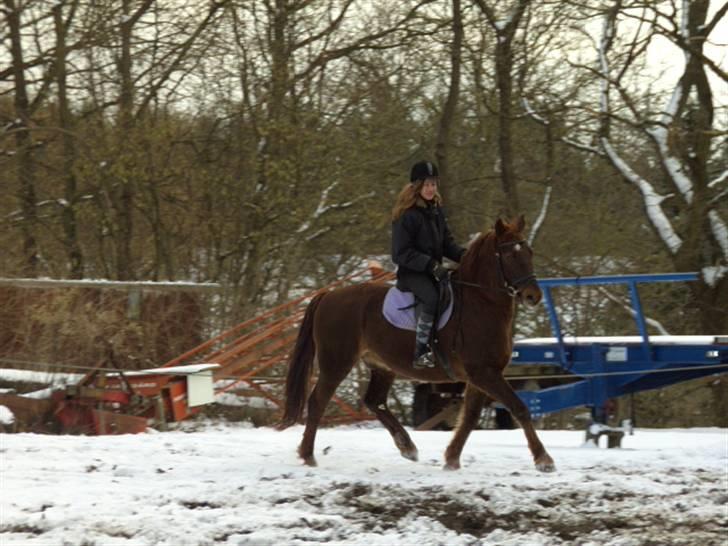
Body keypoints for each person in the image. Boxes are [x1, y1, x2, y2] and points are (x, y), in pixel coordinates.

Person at [391, 160, 465, 368]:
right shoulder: (407, 216)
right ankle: (421, 350)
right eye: (427, 185)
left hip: (433, 270)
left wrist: (466, 256)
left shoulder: (436, 211)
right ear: (416, 187)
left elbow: (447, 243)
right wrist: (431, 265)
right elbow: (400, 253)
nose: (431, 189)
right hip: (412, 273)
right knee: (432, 297)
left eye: (434, 184)